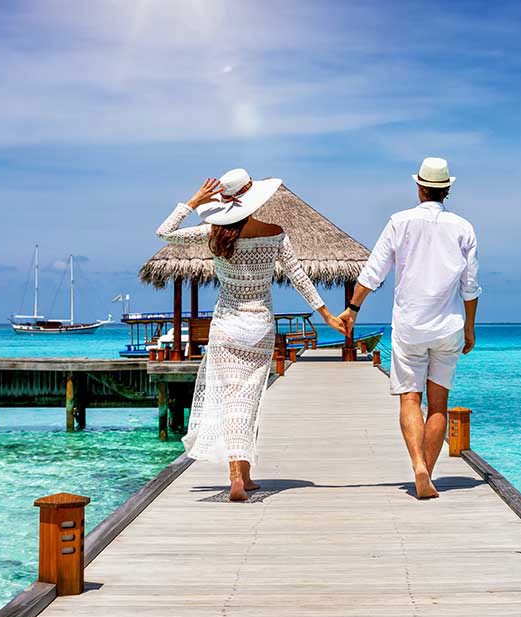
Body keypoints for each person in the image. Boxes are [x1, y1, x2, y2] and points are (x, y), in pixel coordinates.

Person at [156, 169, 349, 501]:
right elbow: (299, 277)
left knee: (230, 398)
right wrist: (327, 315)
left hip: (226, 326)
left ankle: (237, 475)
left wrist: (192, 202)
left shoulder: (212, 233)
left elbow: (164, 233)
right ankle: (243, 475)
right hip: (259, 325)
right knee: (249, 399)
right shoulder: (274, 234)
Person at [340, 157, 481, 499]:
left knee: (409, 400)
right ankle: (427, 474)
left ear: (419, 187)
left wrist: (352, 309)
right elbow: (471, 286)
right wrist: (470, 329)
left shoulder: (399, 222)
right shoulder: (464, 228)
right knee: (438, 406)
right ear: (447, 190)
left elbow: (373, 272)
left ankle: (417, 464)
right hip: (448, 328)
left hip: (410, 328)